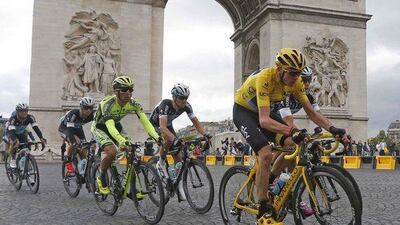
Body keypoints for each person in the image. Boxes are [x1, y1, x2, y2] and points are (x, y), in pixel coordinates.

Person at [232, 48, 347, 223]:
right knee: (265, 152)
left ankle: (272, 180)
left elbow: (312, 113)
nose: (297, 78)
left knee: (294, 144)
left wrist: (333, 129)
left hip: (266, 113)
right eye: (293, 73)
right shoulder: (265, 78)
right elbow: (264, 121)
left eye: (299, 74)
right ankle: (263, 204)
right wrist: (291, 130)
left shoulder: (297, 83)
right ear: (280, 70)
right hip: (245, 112)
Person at [91, 75, 161, 195]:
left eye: (130, 90)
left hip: (116, 125)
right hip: (101, 127)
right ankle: (101, 178)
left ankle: (132, 188)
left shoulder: (134, 104)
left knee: (132, 151)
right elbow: (110, 126)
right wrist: (120, 140)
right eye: (124, 90)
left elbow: (146, 122)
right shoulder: (107, 103)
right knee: (112, 152)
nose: (128, 93)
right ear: (116, 91)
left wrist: (157, 137)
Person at [149, 83, 210, 201]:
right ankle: (160, 162)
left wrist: (205, 134)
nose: (184, 101)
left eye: (186, 98)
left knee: (179, 156)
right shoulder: (165, 104)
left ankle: (178, 185)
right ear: (174, 97)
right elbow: (162, 128)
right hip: (155, 125)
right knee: (168, 139)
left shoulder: (187, 106)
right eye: (181, 98)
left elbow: (196, 122)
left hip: (168, 125)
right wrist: (174, 139)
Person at [59, 97, 95, 174]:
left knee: (84, 150)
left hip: (78, 128)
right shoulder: (73, 114)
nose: (88, 110)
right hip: (65, 129)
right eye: (86, 108)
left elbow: (96, 127)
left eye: (91, 108)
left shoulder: (91, 115)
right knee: (76, 142)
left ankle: (82, 172)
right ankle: (68, 161)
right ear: (81, 107)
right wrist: (74, 143)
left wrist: (95, 140)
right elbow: (69, 131)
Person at [5, 103, 47, 168]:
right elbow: (11, 132)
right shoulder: (13, 119)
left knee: (26, 147)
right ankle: (13, 159)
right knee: (14, 143)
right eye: (22, 111)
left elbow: (36, 128)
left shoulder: (30, 117)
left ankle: (24, 162)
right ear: (18, 112)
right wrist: (15, 140)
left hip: (21, 133)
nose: (24, 113)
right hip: (10, 132)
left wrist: (41, 138)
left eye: (26, 111)